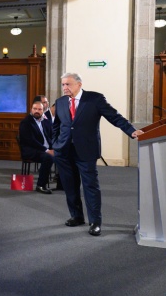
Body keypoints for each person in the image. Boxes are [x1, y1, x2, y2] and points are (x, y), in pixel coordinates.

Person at [52, 72, 144, 236]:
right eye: (63, 85)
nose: (65, 88)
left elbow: (114, 117)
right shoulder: (59, 102)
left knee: (90, 187)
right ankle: (76, 216)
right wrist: (55, 144)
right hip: (64, 152)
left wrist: (131, 131)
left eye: (68, 84)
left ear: (79, 84)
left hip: (86, 151)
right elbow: (56, 126)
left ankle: (95, 222)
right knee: (70, 187)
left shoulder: (94, 99)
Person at [19, 99, 55, 194]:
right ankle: (40, 185)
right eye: (35, 109)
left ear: (43, 110)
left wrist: (55, 148)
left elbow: (51, 136)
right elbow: (31, 141)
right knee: (48, 157)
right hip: (31, 150)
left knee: (65, 154)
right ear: (31, 109)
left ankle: (61, 184)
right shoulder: (26, 122)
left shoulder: (45, 121)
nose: (37, 111)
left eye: (39, 109)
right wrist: (47, 150)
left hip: (45, 149)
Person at [34, 94, 63, 191]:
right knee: (57, 154)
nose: (46, 104)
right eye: (44, 102)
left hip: (51, 144)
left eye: (46, 102)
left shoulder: (58, 117)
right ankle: (43, 184)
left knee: (66, 153)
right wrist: (49, 149)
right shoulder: (44, 117)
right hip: (40, 147)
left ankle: (61, 182)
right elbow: (36, 139)